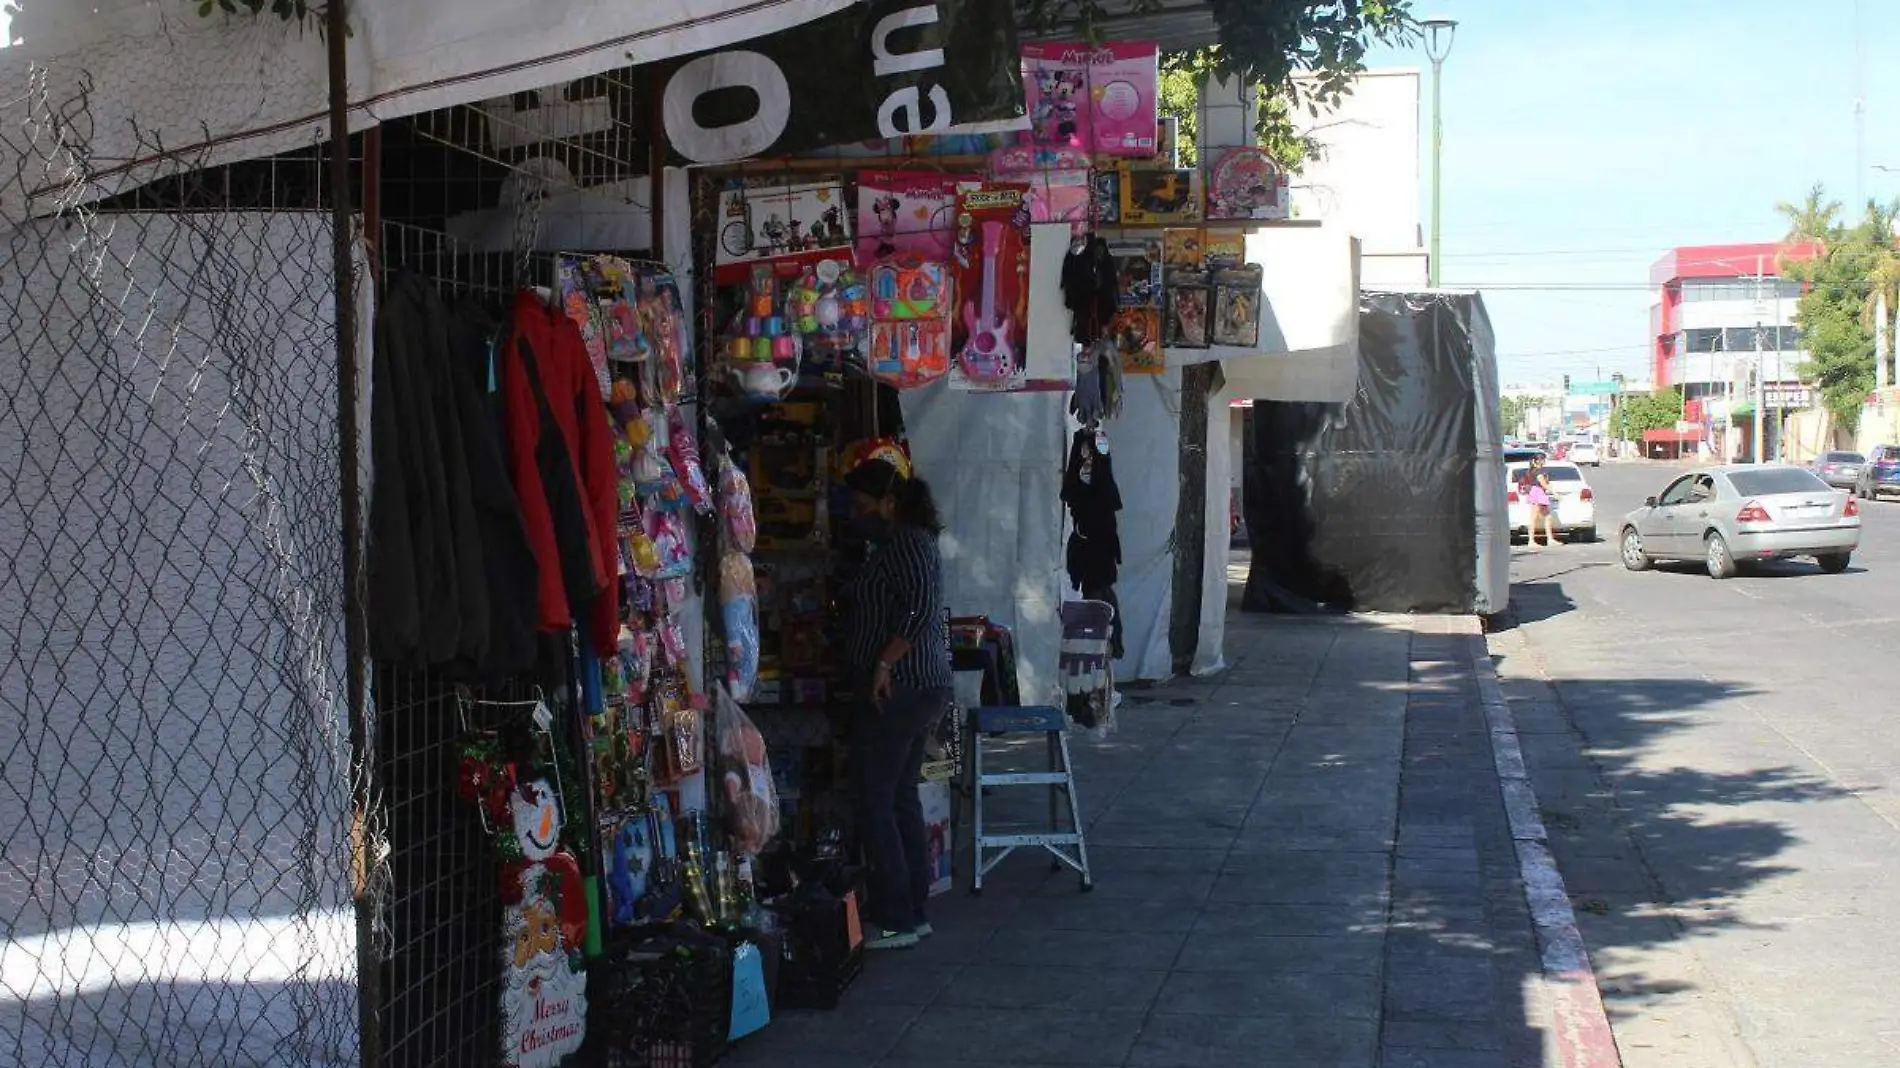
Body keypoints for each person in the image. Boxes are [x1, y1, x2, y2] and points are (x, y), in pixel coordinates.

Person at [839, 453, 953, 950]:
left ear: (887, 503)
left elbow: (919, 608)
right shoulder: (902, 543)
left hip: (902, 687)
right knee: (898, 795)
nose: (854, 513)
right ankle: (912, 908)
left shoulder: (907, 542)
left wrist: (884, 664)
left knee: (876, 799)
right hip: (915, 686)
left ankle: (897, 915)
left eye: (862, 504)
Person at [1523, 454, 1557, 548]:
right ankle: (1531, 541)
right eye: (1543, 459)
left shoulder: (1533, 471)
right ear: (1538, 461)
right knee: (1534, 517)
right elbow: (1543, 484)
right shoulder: (1538, 472)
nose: (1544, 461)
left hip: (1538, 492)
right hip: (1537, 493)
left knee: (1547, 516)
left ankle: (1550, 539)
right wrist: (1555, 493)